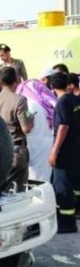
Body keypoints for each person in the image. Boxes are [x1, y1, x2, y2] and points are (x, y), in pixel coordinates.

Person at [0, 66, 34, 192]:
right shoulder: (20, 100)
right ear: (16, 80)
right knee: (18, 194)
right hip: (15, 152)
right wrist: (31, 119)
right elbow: (26, 129)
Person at [48, 71, 80, 233]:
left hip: (65, 151)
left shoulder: (63, 101)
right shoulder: (76, 99)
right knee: (75, 184)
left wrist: (54, 151)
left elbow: (63, 126)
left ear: (52, 86)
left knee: (62, 186)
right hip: (76, 149)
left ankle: (66, 223)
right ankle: (75, 214)